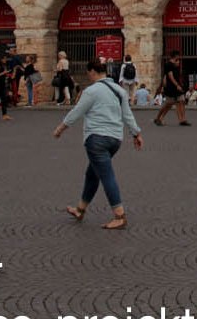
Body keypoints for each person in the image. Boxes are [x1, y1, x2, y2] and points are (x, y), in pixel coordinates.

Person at [54, 57, 144, 230]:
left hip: (97, 139)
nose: (89, 76)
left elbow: (77, 112)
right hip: (115, 140)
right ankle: (80, 209)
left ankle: (119, 215)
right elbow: (127, 115)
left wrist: (60, 128)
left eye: (89, 73)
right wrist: (136, 133)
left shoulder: (92, 91)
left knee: (106, 175)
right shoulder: (119, 90)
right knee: (92, 174)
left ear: (93, 72)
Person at [153, 50, 190, 126]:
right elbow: (170, 76)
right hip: (171, 87)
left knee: (181, 101)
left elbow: (177, 75)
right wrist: (177, 85)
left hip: (177, 87)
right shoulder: (168, 65)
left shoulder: (175, 64)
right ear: (175, 56)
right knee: (168, 104)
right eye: (178, 56)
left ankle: (182, 119)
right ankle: (158, 118)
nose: (179, 58)